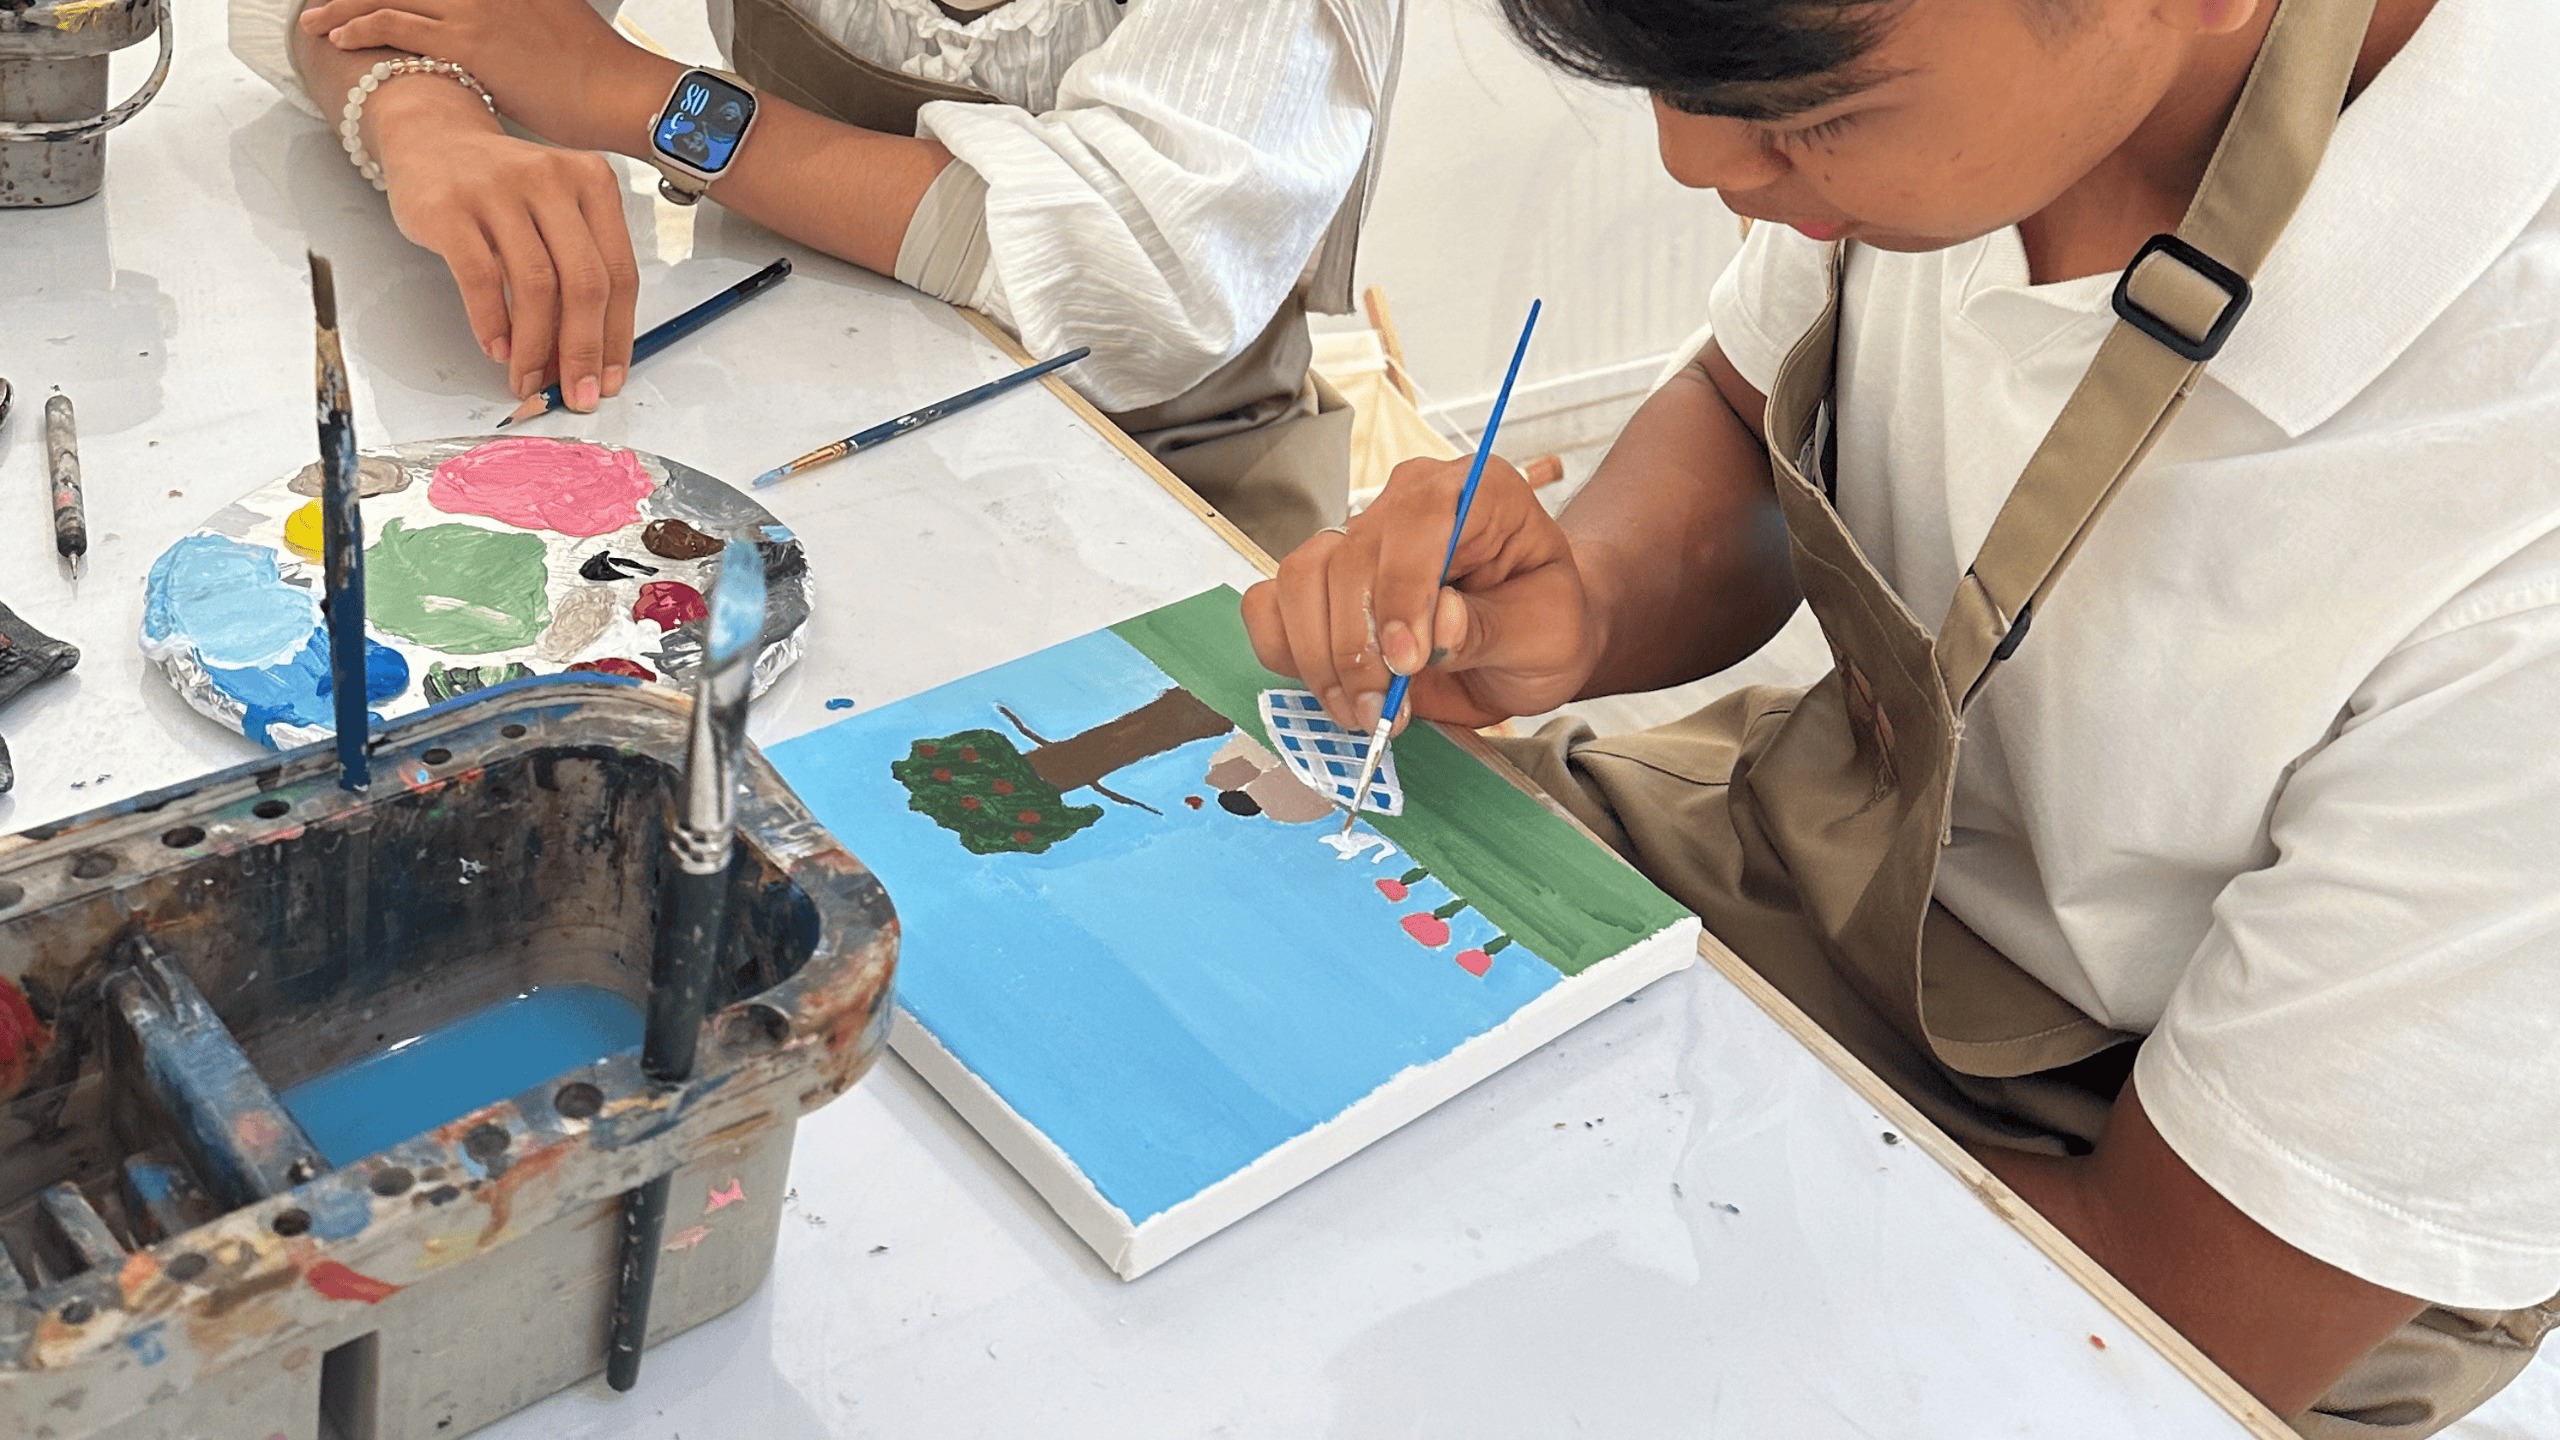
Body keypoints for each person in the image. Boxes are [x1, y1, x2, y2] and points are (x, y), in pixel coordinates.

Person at [1242, 0, 2560, 1434]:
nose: (1695, 161)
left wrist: (1583, 1194)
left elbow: (2147, 1327)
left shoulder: (2513, 515)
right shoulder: (1957, 89)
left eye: (1805, 108)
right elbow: (1750, 402)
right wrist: (1591, 599)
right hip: (1819, 862)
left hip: (2155, 1199)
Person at [228, 0, 1401, 552]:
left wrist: (632, 96)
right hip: (783, 406)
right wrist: (427, 123)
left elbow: (1124, 286)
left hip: (1152, 495)